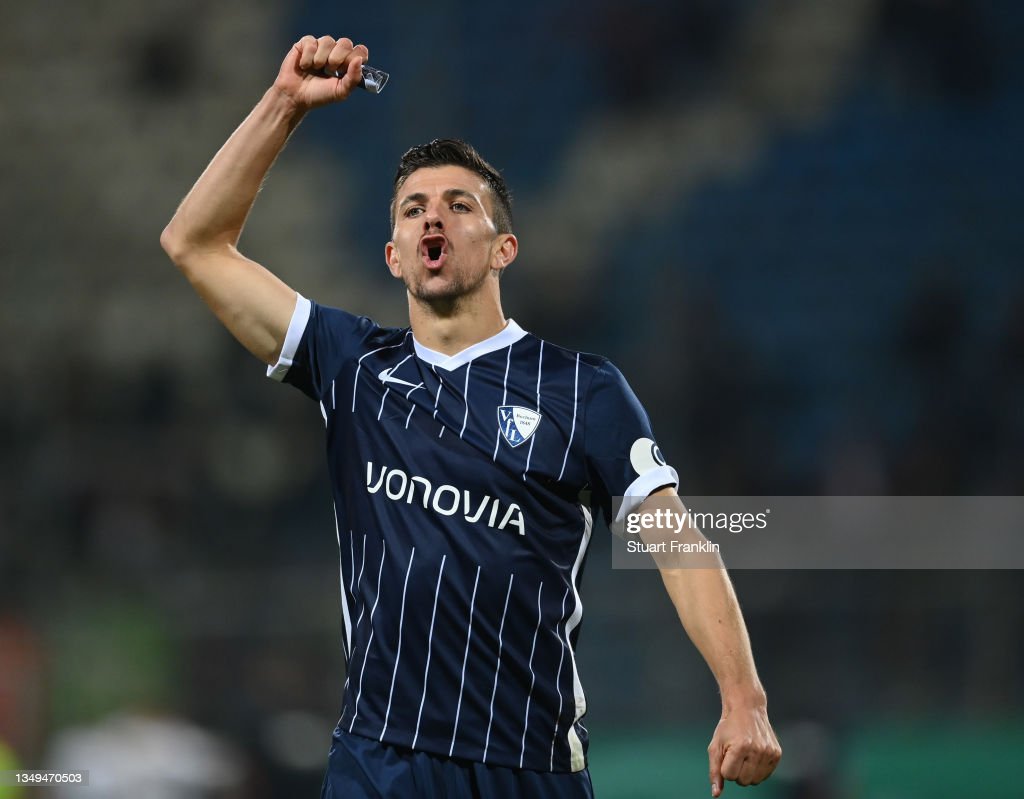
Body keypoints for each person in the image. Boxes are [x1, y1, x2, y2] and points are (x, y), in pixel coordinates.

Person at [160, 34, 781, 799]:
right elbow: (194, 242)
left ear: (503, 248)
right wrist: (285, 104)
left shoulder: (582, 389)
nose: (435, 219)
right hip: (379, 760)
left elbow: (676, 539)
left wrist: (742, 695)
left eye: (460, 206)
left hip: (527, 767)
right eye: (414, 208)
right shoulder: (351, 365)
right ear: (393, 253)